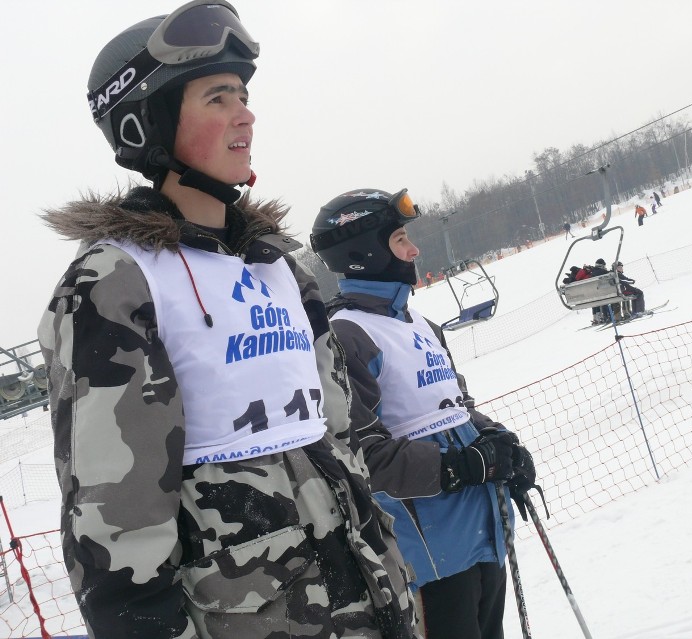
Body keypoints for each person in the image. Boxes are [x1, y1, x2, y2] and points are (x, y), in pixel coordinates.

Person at [36, 3, 416, 638]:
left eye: (243, 94)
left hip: (369, 604)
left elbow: (340, 433)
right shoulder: (117, 281)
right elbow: (117, 518)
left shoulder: (279, 270)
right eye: (218, 98)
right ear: (146, 126)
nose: (246, 114)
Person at [310, 188, 539, 639]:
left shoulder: (421, 325)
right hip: (429, 551)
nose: (413, 250)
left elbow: (457, 410)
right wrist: (458, 466)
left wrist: (499, 445)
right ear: (365, 253)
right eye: (399, 240)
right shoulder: (346, 337)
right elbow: (363, 456)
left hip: (482, 528)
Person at [589, 258, 609, 324]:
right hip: (603, 292)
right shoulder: (603, 272)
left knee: (597, 301)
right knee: (605, 299)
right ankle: (606, 316)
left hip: (594, 294)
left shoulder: (592, 273)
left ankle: (596, 317)